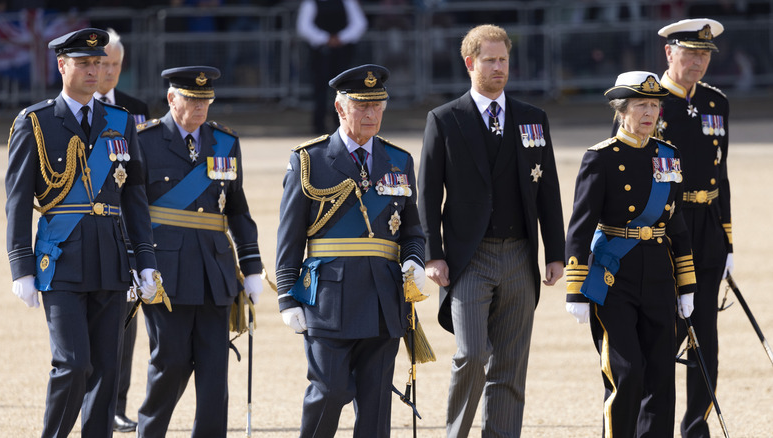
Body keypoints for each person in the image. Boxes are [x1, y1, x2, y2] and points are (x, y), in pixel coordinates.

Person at [5, 28, 159, 438]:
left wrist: (145, 261)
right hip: (61, 259)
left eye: (99, 63)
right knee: (72, 363)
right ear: (62, 65)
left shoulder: (120, 122)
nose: (95, 70)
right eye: (84, 63)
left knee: (107, 369)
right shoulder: (35, 122)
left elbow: (135, 198)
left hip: (111, 259)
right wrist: (20, 267)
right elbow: (18, 201)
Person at [417, 24, 565, 437]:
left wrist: (555, 252)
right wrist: (433, 254)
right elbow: (427, 194)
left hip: (520, 253)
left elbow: (548, 190)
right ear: (470, 63)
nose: (499, 68)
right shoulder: (445, 120)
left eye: (503, 60)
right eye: (490, 60)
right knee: (472, 353)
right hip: (469, 258)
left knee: (511, 363)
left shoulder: (533, 119)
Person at [275, 64, 426, 437]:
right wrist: (286, 296)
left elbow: (412, 229)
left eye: (378, 104)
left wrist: (414, 259)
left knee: (376, 406)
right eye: (362, 106)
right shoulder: (309, 160)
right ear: (341, 109)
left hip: (383, 297)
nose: (372, 113)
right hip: (329, 297)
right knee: (330, 390)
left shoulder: (399, 160)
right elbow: (290, 235)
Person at [564, 71, 697, 437]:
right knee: (627, 372)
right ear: (621, 111)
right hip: (613, 276)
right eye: (641, 104)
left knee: (660, 376)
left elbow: (677, 224)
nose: (649, 112)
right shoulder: (600, 158)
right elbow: (580, 223)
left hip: (658, 275)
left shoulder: (669, 156)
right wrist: (575, 287)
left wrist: (686, 284)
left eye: (654, 105)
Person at [135, 66, 264, 437]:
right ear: (172, 98)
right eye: (192, 100)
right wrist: (136, 265)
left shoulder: (224, 141)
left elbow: (237, 209)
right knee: (169, 364)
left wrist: (251, 266)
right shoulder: (145, 140)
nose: (200, 107)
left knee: (213, 372)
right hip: (166, 273)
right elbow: (132, 211)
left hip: (215, 274)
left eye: (206, 100)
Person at [656, 18, 733, 438]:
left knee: (707, 337)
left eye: (705, 54)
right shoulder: (647, 101)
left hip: (708, 230)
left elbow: (723, 176)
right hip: (667, 230)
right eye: (691, 52)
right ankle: (656, 427)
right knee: (662, 337)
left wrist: (728, 238)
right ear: (670, 53)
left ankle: (695, 427)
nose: (698, 61)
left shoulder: (716, 102)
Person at [93, 27, 151, 434]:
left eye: (115, 64)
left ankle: (116, 404)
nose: (109, 71)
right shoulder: (74, 108)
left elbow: (140, 176)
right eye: (103, 64)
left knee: (125, 326)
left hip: (126, 230)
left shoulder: (135, 109)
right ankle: (87, 401)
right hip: (85, 228)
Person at [296, 0, 367, 134]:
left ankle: (343, 125)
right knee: (320, 90)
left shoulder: (348, 2)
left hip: (343, 53)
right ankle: (318, 126)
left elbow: (359, 24)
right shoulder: (311, 3)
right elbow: (304, 26)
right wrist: (325, 39)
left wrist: (341, 38)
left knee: (344, 91)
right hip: (320, 53)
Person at [95, 28, 150, 125]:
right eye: (105, 64)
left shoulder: (138, 109)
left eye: (116, 64)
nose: (111, 71)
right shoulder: (78, 106)